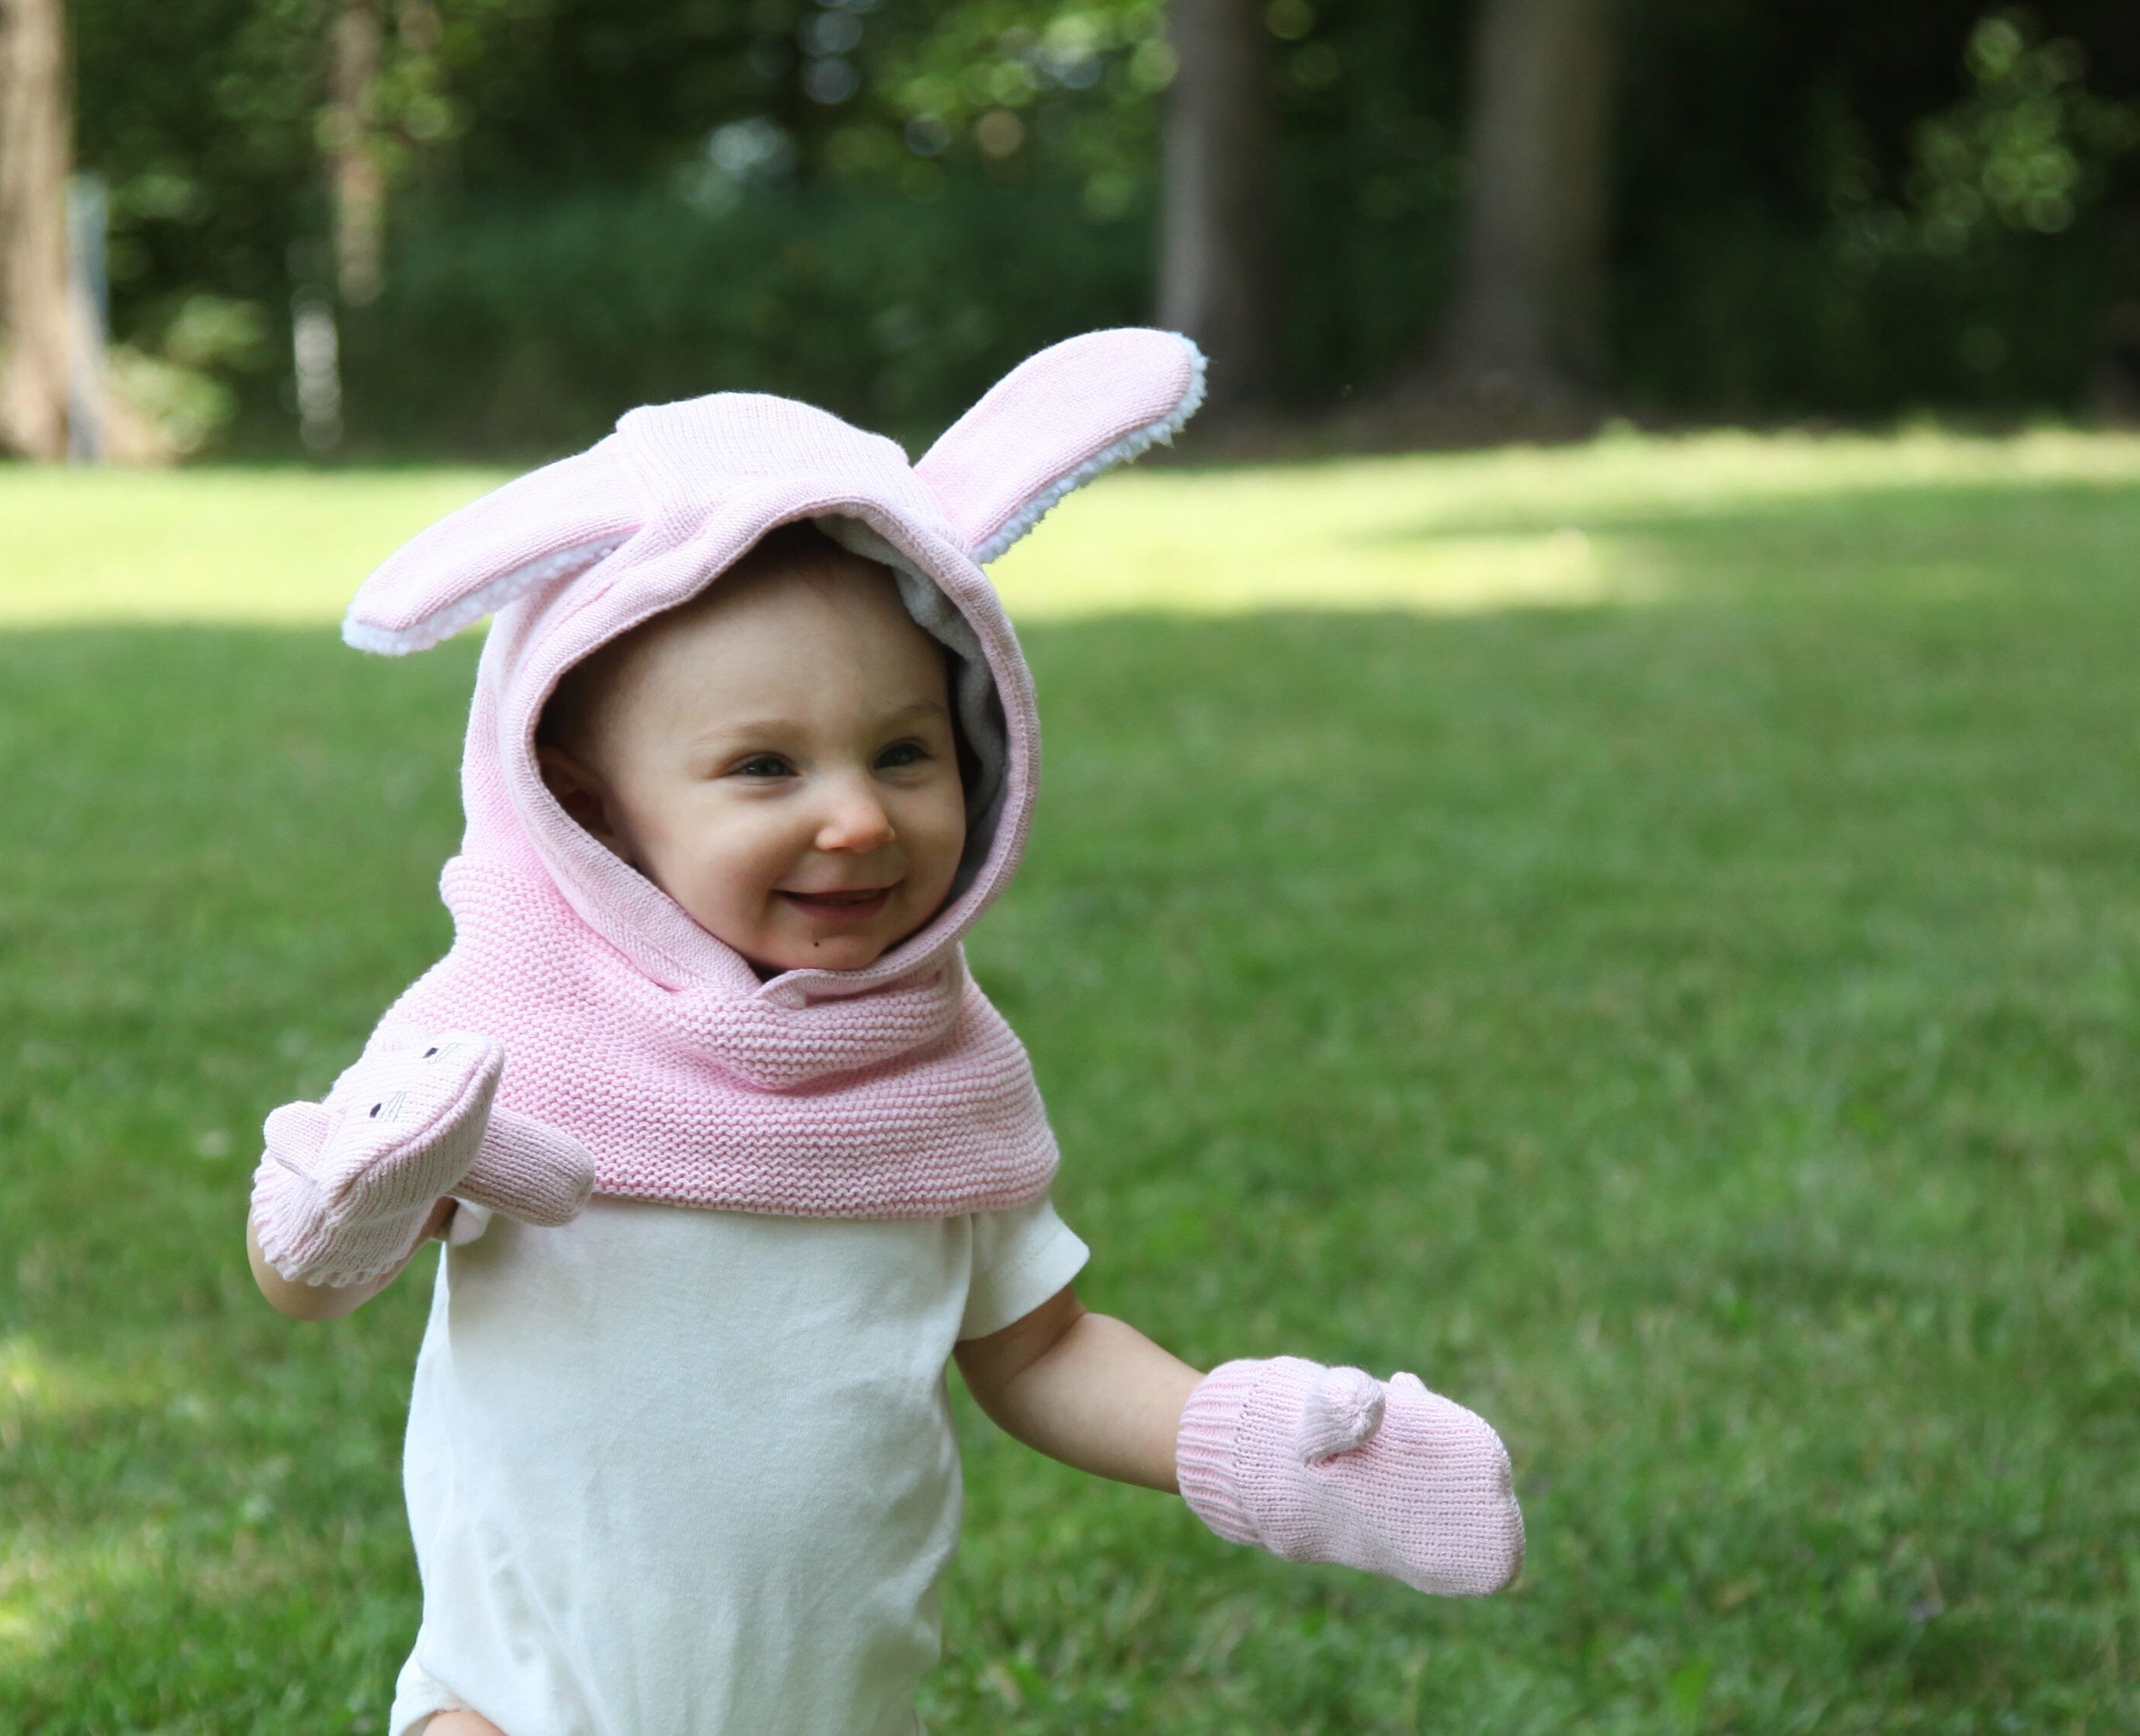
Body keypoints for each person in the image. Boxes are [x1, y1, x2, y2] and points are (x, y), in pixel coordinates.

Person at [243, 330, 1525, 1736]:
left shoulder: (931, 1082)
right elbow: (310, 1282)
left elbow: (1039, 1353)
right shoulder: (509, 1039)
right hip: (518, 1703)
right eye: (765, 766)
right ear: (592, 802)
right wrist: (343, 1202)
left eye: (906, 753)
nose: (855, 817)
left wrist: (1253, 1444)